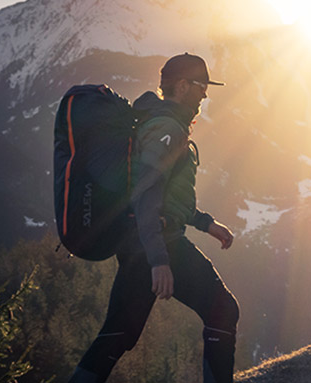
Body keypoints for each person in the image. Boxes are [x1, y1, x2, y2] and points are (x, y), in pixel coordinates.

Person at [69, 53, 240, 383]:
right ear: (182, 85)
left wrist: (206, 223)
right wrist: (159, 259)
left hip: (139, 242)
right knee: (223, 310)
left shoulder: (163, 123)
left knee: (118, 333)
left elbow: (167, 196)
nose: (205, 95)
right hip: (158, 243)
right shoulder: (166, 128)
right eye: (202, 86)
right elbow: (146, 194)